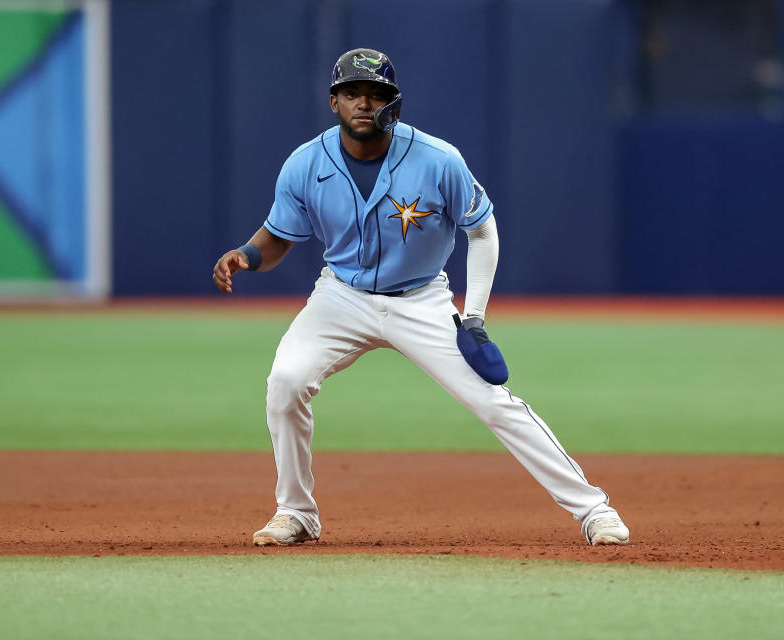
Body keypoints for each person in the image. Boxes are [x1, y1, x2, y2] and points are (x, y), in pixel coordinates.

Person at [212, 48, 629, 547]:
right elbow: (279, 236)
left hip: (422, 300)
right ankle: (296, 512)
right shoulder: (305, 164)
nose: (364, 104)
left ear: (395, 103)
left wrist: (472, 317)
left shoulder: (438, 159)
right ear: (333, 102)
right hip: (341, 297)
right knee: (285, 381)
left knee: (493, 402)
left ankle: (593, 510)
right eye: (352, 94)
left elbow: (484, 232)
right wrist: (245, 254)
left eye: (377, 94)